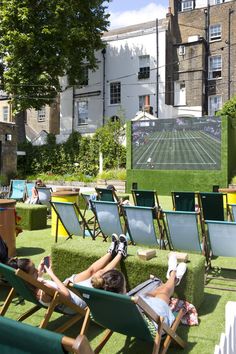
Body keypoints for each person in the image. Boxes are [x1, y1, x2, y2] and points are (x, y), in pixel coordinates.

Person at [7, 234, 128, 313]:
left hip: (67, 289)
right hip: (75, 302)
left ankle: (110, 252)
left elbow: (38, 281)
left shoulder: (27, 284)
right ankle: (120, 253)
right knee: (99, 274)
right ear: (27, 276)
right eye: (34, 270)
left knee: (90, 270)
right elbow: (65, 294)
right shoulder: (44, 291)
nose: (37, 271)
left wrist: (40, 272)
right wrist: (52, 274)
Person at [91, 254, 187, 328]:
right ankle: (173, 275)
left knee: (149, 294)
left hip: (125, 323)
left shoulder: (105, 302)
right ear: (122, 289)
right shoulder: (129, 303)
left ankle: (172, 278)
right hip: (154, 326)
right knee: (164, 292)